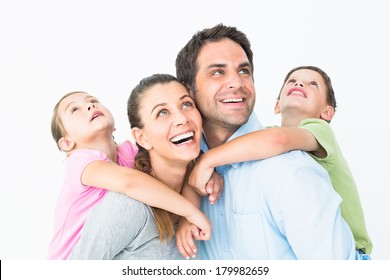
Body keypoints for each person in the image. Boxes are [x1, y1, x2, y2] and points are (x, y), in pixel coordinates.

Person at [175, 23, 356, 259]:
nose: (237, 83)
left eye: (243, 71)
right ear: (189, 90)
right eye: (218, 72)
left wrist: (206, 160)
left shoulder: (290, 171)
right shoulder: (181, 167)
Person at [48, 87, 211, 260]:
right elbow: (131, 183)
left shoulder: (127, 153)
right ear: (67, 143)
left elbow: (174, 169)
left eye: (93, 101)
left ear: (115, 126)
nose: (90, 106)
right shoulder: (80, 161)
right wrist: (191, 212)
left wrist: (204, 170)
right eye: (75, 109)